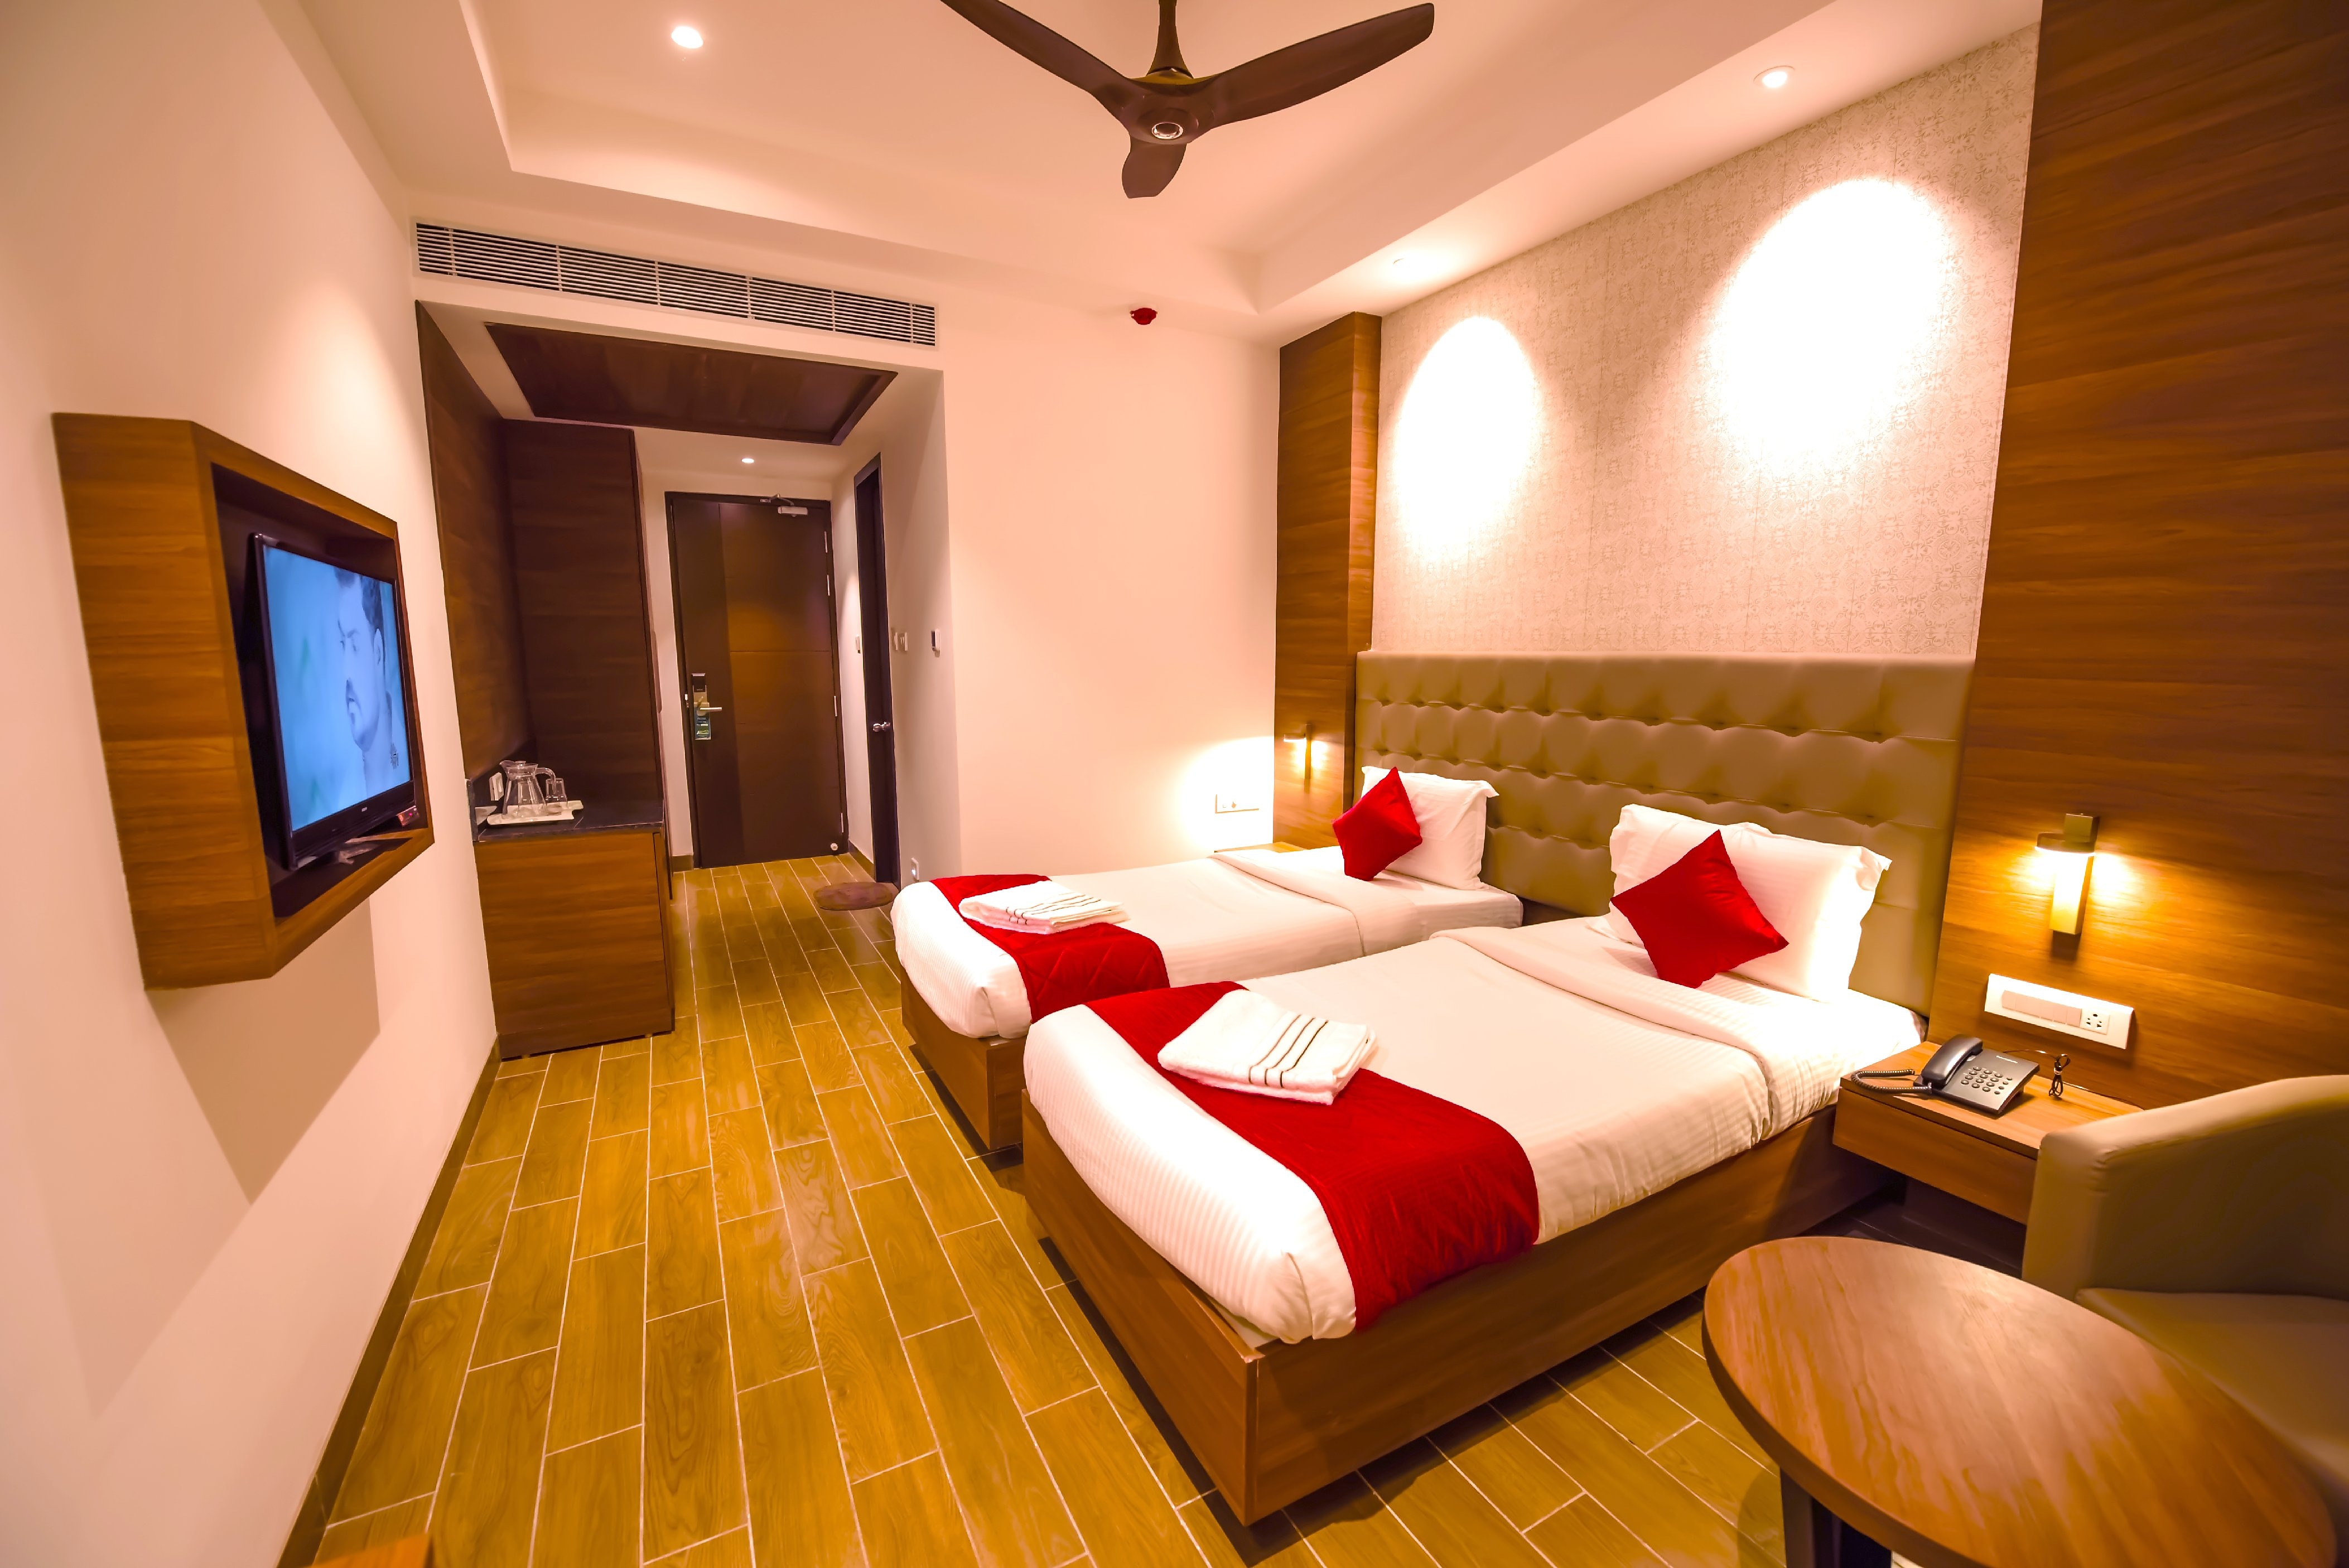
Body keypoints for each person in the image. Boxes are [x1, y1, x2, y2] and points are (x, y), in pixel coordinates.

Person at [334, 568, 403, 796]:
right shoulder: (344, 796)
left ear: (378, 653)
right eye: (342, 645)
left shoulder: (418, 756)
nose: (346, 671)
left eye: (355, 646)